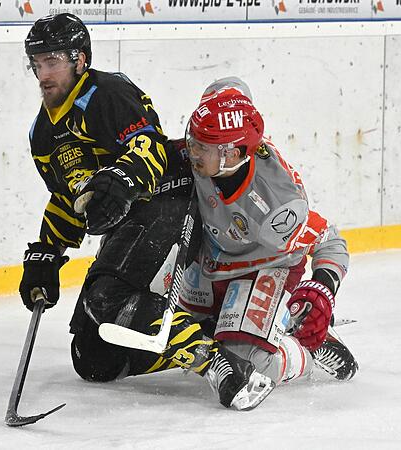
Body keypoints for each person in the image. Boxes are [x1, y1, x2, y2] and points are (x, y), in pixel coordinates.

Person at [18, 14, 274, 411]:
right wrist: (47, 253)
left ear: (80, 60)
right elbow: (67, 200)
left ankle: (217, 363)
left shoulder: (107, 93)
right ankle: (211, 327)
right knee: (95, 358)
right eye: (37, 63)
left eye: (53, 61)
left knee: (108, 298)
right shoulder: (43, 134)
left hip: (166, 198)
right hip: (129, 223)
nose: (44, 73)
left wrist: (121, 179)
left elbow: (150, 147)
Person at [178, 77, 358, 398]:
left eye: (202, 146)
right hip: (215, 259)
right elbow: (233, 87)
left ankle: (304, 348)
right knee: (194, 330)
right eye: (194, 140)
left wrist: (323, 288)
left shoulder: (276, 203)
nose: (191, 150)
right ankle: (273, 323)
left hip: (265, 268)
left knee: (245, 360)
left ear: (232, 154)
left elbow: (330, 241)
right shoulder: (220, 134)